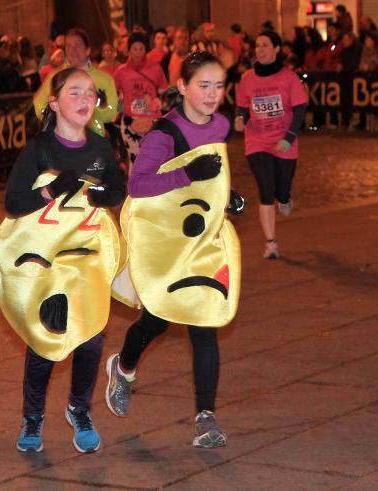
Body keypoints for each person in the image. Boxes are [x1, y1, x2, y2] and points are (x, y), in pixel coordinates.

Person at [104, 51, 242, 449]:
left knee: (205, 322)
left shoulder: (221, 125)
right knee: (157, 321)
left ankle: (205, 418)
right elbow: (138, 185)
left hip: (201, 242)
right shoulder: (164, 134)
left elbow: (212, 179)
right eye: (204, 85)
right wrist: (187, 173)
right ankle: (123, 367)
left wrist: (227, 196)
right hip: (166, 244)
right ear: (182, 86)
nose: (213, 94)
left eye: (219, 86)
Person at [0, 67, 125, 453]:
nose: (85, 100)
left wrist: (108, 196)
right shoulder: (40, 149)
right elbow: (13, 202)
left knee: (91, 339)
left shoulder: (100, 147)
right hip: (48, 264)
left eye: (91, 94)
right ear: (53, 103)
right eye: (75, 92)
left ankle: (79, 409)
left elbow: (118, 187)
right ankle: (33, 417)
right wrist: (50, 190)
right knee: (46, 339)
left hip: (86, 261)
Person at [235, 31, 308, 259]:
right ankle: (271, 243)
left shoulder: (289, 78)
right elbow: (242, 106)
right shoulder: (247, 79)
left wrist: (288, 138)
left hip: (283, 142)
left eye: (265, 45)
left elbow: (299, 110)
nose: (260, 50)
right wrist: (240, 118)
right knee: (266, 191)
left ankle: (285, 198)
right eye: (257, 45)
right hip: (257, 141)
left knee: (281, 192)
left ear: (277, 49)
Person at [34, 28, 118, 138]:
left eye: (77, 45)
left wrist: (98, 107)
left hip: (94, 138)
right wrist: (57, 120)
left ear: (88, 50)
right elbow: (39, 105)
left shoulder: (104, 80)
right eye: (68, 46)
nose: (72, 50)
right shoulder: (55, 77)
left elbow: (111, 114)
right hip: (62, 139)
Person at [114, 32, 168, 168]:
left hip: (152, 119)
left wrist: (158, 102)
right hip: (130, 121)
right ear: (129, 50)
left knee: (155, 161)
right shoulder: (121, 71)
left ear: (146, 49)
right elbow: (115, 94)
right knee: (135, 161)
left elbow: (163, 91)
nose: (138, 52)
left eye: (141, 48)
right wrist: (117, 109)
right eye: (134, 49)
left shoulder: (156, 68)